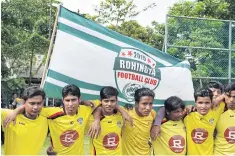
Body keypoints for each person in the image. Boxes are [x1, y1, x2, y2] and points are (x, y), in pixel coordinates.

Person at [1, 86, 48, 155]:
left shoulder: (47, 117)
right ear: (24, 102)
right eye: (32, 103)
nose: (35, 107)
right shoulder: (9, 116)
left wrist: (18, 109)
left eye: (39, 103)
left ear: (43, 102)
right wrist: (15, 111)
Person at [184, 88, 225, 155]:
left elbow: (227, 95)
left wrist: (217, 99)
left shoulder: (215, 112)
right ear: (195, 102)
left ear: (212, 102)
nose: (203, 106)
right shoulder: (187, 114)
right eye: (200, 103)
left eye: (207, 103)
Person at [121, 88, 156, 155]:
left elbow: (162, 111)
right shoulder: (127, 112)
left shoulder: (152, 113)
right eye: (144, 104)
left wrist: (156, 125)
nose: (148, 108)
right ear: (136, 103)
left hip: (146, 153)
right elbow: (104, 106)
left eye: (150, 104)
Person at [90, 86, 123, 155]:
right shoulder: (91, 118)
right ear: (101, 101)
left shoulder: (121, 115)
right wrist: (96, 120)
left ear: (117, 101)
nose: (109, 104)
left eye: (112, 101)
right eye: (106, 101)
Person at [214, 83, 235, 155]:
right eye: (228, 96)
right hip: (219, 153)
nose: (231, 100)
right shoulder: (218, 108)